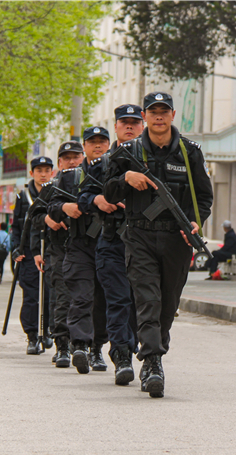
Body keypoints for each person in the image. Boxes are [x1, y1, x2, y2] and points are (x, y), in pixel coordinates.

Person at [104, 92, 213, 398]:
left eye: (164, 111)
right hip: (139, 236)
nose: (159, 117)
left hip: (177, 239)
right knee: (147, 300)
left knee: (167, 304)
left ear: (173, 115)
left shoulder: (190, 152)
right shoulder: (128, 151)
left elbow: (204, 197)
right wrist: (127, 177)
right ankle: (152, 362)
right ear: (145, 116)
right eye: (153, 112)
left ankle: (155, 346)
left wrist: (195, 221)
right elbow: (109, 194)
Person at [78, 104, 142, 386]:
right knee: (118, 301)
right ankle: (122, 355)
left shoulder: (155, 161)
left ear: (143, 126)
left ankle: (141, 350)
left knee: (142, 305)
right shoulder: (103, 163)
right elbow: (83, 196)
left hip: (146, 246)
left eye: (134, 122)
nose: (129, 127)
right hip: (113, 241)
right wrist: (97, 201)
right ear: (115, 127)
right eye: (123, 122)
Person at [47, 127, 110, 375]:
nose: (97, 146)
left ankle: (97, 348)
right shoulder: (70, 177)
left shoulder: (118, 172)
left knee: (103, 300)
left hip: (110, 244)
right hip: (79, 245)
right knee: (80, 296)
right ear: (84, 147)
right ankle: (79, 345)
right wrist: (66, 207)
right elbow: (50, 206)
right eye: (92, 142)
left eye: (102, 142)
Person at [29, 141, 83, 368]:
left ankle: (88, 346)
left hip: (87, 248)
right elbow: (35, 215)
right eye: (66, 158)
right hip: (59, 249)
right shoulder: (53, 186)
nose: (71, 161)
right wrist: (48, 219)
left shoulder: (92, 182)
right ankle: (61, 345)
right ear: (59, 163)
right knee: (62, 297)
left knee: (86, 300)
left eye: (76, 157)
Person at [11, 156, 54, 355]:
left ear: (52, 172)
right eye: (39, 170)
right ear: (32, 173)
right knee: (31, 296)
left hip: (51, 251)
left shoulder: (57, 192)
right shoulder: (23, 196)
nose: (43, 174)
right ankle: (32, 336)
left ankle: (46, 331)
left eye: (47, 170)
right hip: (28, 254)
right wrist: (16, 250)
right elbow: (16, 227)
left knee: (50, 295)